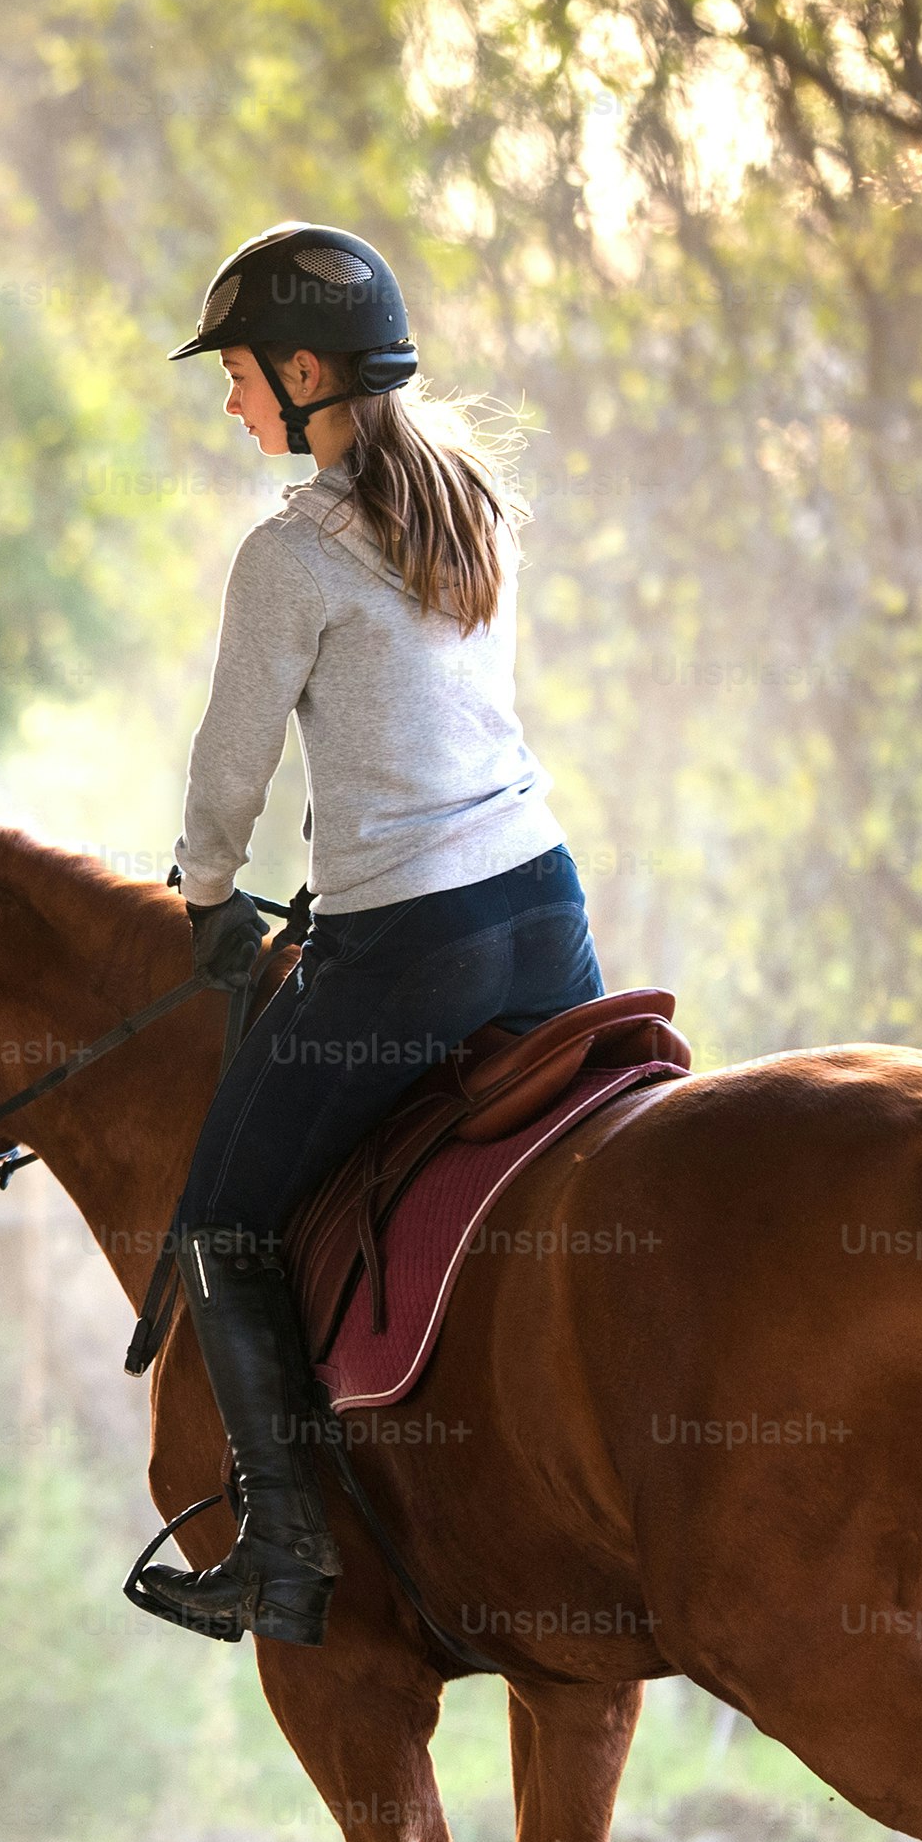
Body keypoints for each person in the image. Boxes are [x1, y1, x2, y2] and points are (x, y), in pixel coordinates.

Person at [128, 221, 603, 1648]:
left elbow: (231, 769)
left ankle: (283, 1549)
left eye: (240, 375)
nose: (230, 403)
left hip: (415, 952)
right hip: (549, 920)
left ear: (306, 370)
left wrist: (205, 896)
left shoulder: (289, 554)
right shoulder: (473, 507)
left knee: (219, 1214)